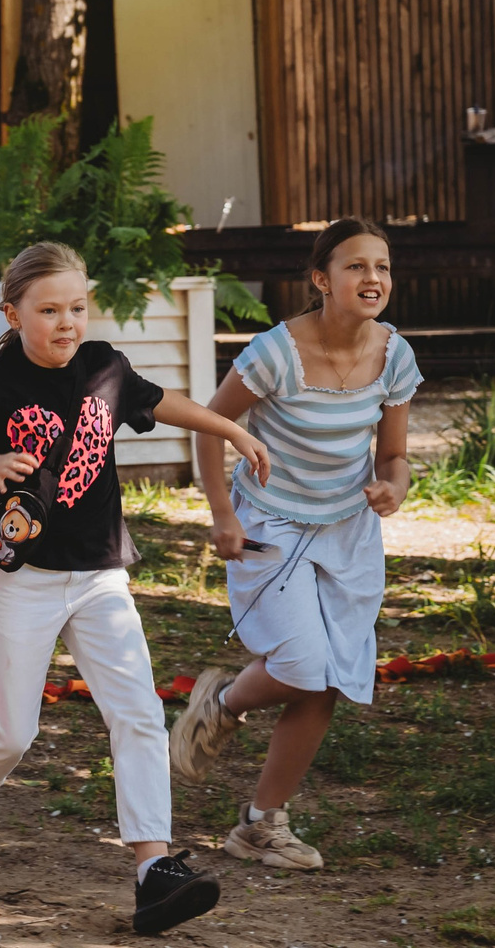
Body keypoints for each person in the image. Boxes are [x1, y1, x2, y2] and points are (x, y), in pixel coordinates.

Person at [0, 240, 267, 935]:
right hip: (23, 580)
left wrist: (231, 429)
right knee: (11, 733)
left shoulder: (104, 366)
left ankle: (153, 869)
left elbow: (162, 403)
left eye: (77, 308)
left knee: (138, 712)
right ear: (13, 313)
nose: (67, 322)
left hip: (99, 574)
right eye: (49, 310)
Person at [168, 219, 419, 871]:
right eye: (356, 266)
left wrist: (392, 488)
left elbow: (393, 457)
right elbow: (210, 425)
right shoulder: (275, 352)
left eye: (382, 267)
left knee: (326, 681)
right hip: (272, 527)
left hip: (348, 533)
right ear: (321, 280)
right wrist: (222, 514)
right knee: (304, 665)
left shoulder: (395, 355)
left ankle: (261, 824)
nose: (373, 278)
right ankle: (222, 702)